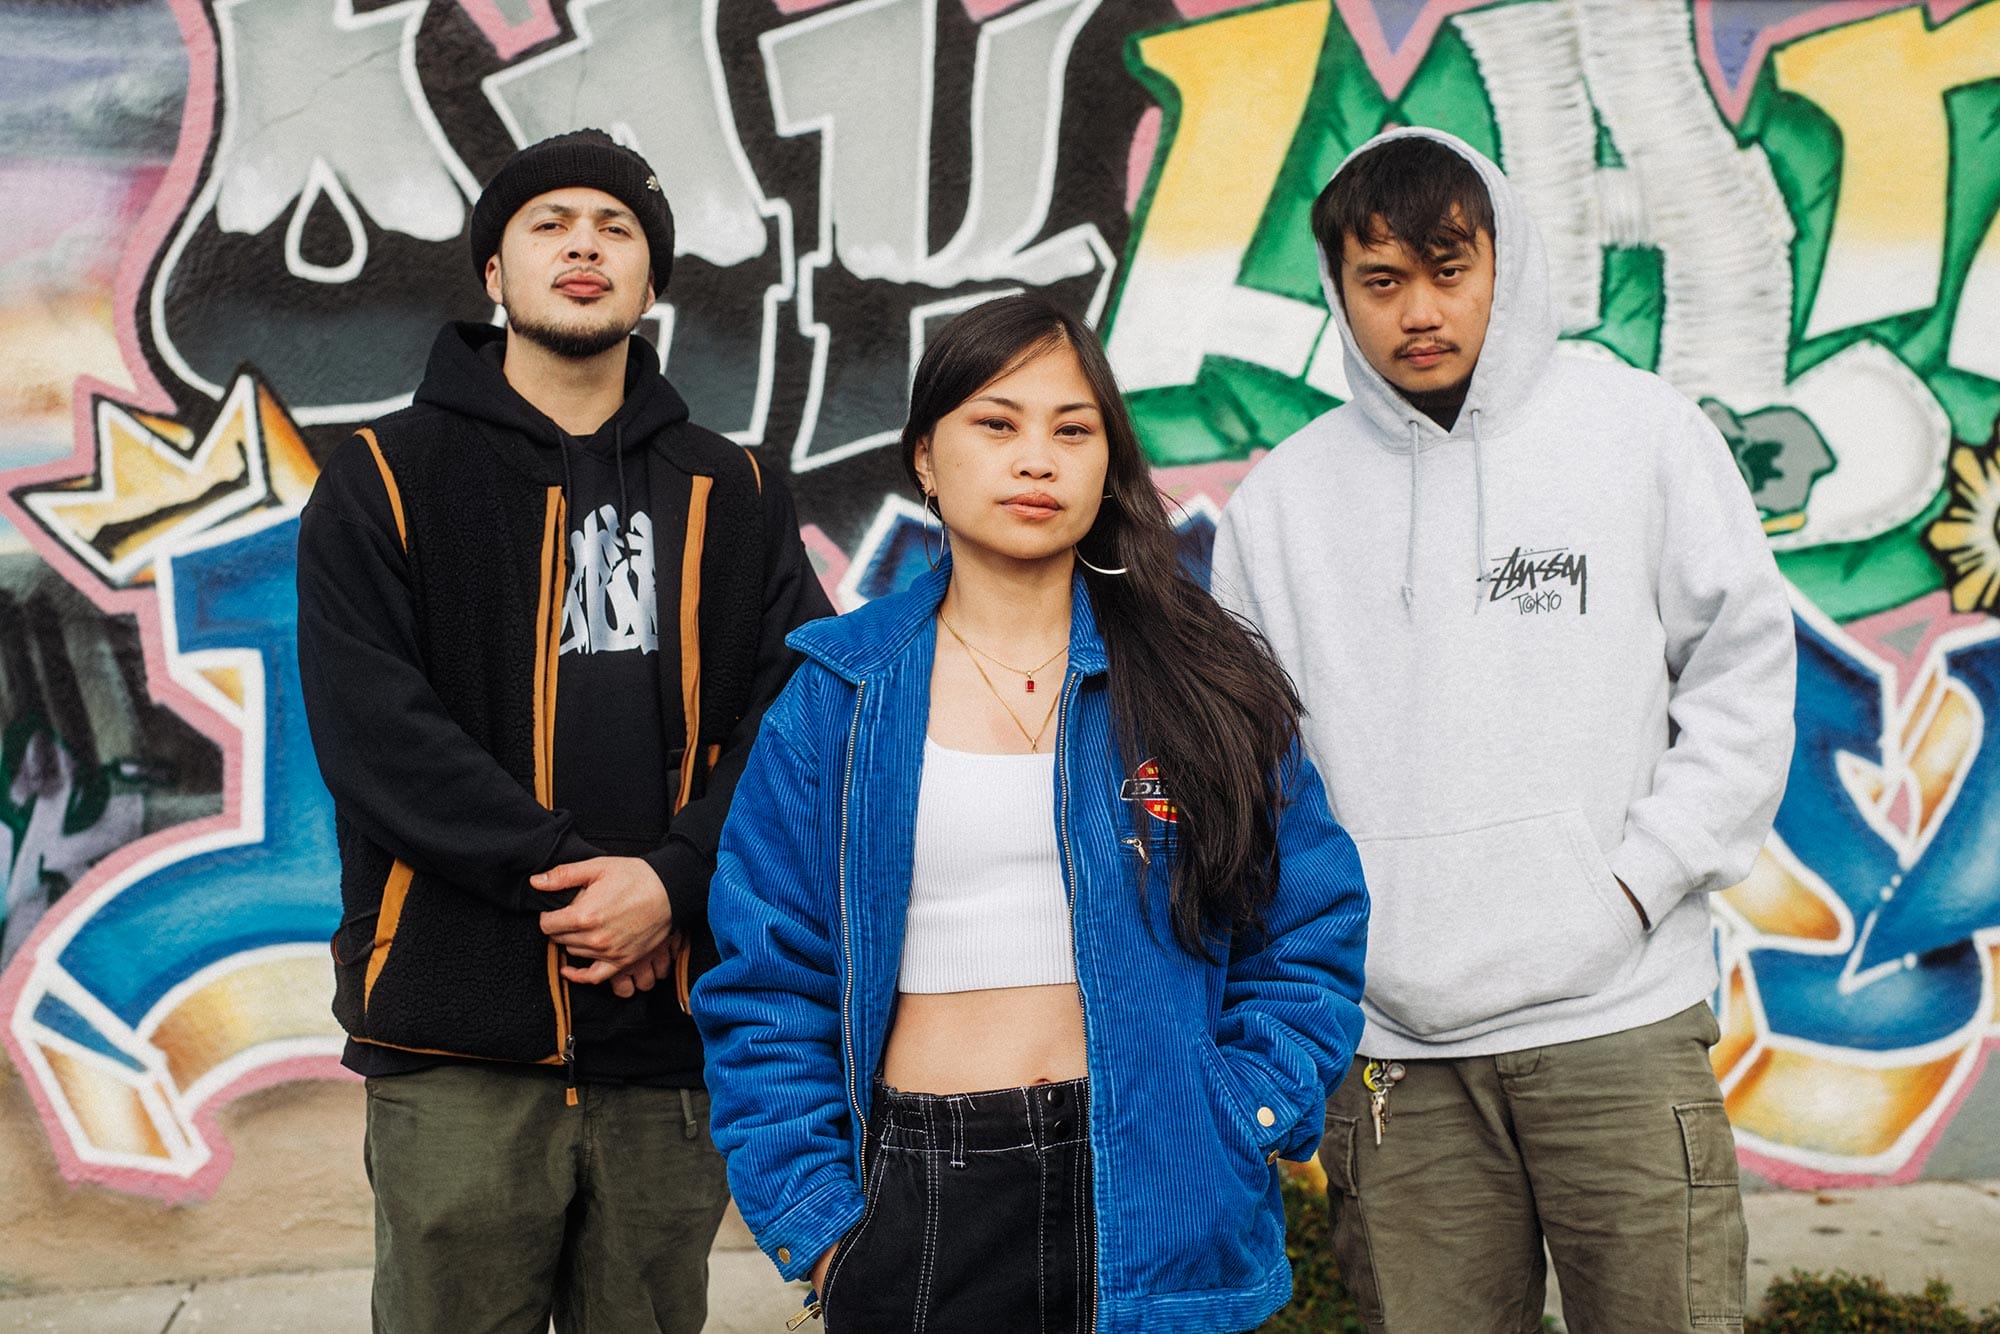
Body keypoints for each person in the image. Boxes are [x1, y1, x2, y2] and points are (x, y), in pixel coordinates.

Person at [1210, 128, 1797, 1333]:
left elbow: (1741, 677)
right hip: (1393, 1053)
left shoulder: (1638, 434)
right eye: (1381, 280)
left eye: (1447, 269)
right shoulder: (1277, 507)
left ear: (1503, 263)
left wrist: (1630, 885)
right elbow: (1255, 771)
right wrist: (1332, 955)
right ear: (1339, 291)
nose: (1418, 310)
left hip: (1616, 1021)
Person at [691, 295, 1370, 1332]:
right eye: (997, 424)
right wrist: (824, 1228)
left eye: (1072, 429)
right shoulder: (839, 697)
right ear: (926, 457)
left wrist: (1240, 1109)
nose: (1037, 459)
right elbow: (764, 982)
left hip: (1157, 1183)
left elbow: (1309, 921)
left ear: (1107, 463)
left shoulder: (1199, 683)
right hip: (923, 1191)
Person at [296, 129, 831, 1334]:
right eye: (548, 223)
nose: (583, 244)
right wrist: (584, 886)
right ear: (494, 270)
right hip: (458, 1034)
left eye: (615, 227)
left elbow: (799, 715)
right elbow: (376, 731)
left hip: (669, 1032)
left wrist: (673, 880)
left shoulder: (737, 489)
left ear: (650, 281)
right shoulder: (384, 475)